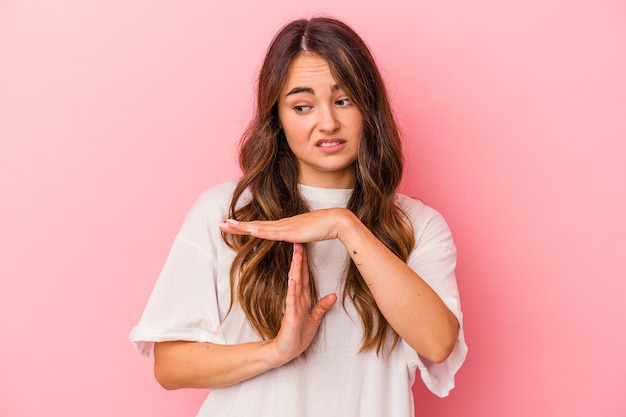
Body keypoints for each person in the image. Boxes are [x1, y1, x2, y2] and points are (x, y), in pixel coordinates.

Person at [130, 16, 467, 417]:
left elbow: (437, 342)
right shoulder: (228, 212)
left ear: (369, 109)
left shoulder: (417, 225)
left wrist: (344, 225)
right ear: (278, 118)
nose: (327, 123)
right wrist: (277, 350)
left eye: (344, 100)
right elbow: (170, 366)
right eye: (303, 106)